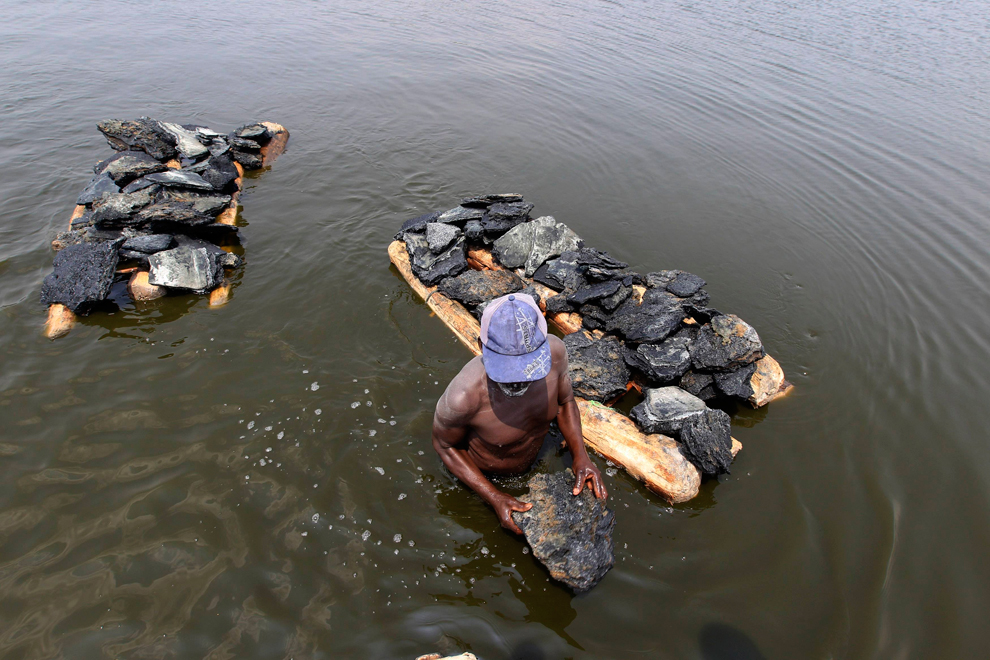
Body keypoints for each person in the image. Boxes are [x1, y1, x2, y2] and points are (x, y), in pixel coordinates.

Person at [431, 293, 607, 534]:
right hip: (486, 478)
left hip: (536, 458)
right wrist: (493, 496)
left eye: (527, 365)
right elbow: (445, 446)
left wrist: (581, 456)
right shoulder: (463, 397)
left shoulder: (555, 353)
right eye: (508, 369)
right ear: (481, 347)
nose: (519, 379)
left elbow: (566, 402)